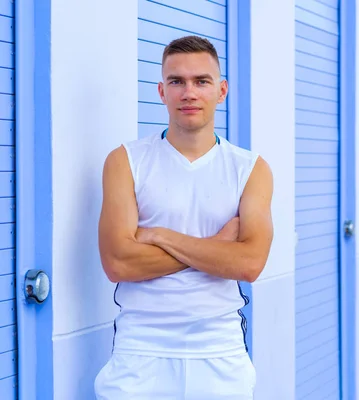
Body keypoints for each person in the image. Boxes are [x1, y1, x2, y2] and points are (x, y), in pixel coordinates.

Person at [94, 35, 273, 399]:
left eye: (201, 81)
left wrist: (159, 235)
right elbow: (118, 263)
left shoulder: (250, 169)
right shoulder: (126, 161)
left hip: (218, 351)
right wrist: (218, 248)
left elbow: (250, 264)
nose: (188, 92)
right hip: (140, 350)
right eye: (176, 81)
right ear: (161, 91)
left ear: (221, 90)